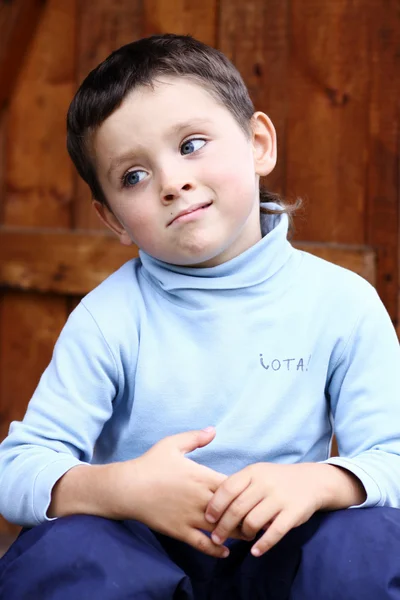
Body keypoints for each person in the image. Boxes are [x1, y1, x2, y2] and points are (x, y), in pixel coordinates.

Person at [0, 33, 400, 600]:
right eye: (133, 176)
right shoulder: (109, 318)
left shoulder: (341, 302)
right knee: (66, 552)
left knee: (371, 541)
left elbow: (395, 458)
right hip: (142, 561)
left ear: (258, 143)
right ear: (112, 219)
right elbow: (16, 470)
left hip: (281, 558)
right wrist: (121, 488)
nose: (171, 183)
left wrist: (322, 479)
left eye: (191, 145)